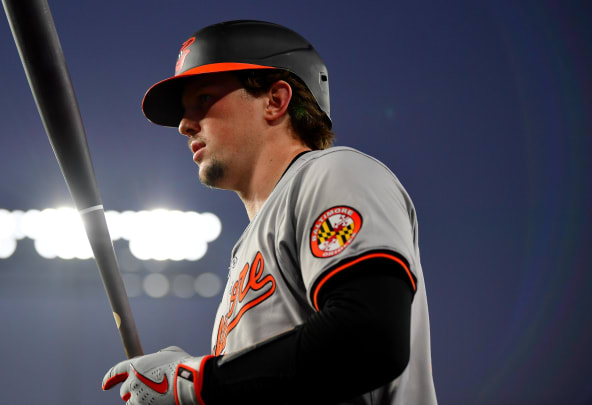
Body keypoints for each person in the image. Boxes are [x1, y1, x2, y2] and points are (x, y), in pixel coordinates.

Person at [102, 20, 437, 405]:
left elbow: (368, 337)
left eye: (205, 99)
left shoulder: (332, 173)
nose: (183, 125)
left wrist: (198, 383)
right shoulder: (246, 248)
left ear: (276, 100)